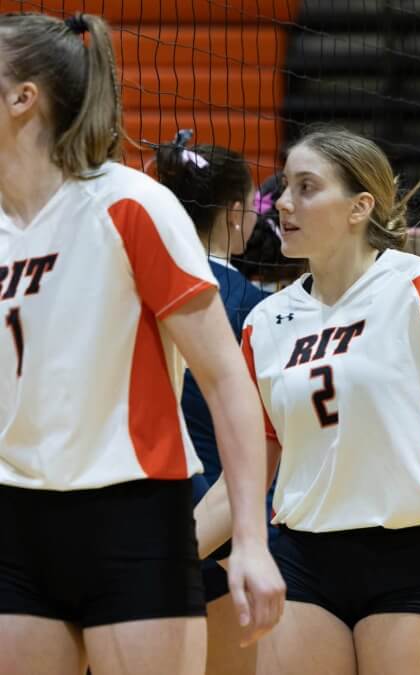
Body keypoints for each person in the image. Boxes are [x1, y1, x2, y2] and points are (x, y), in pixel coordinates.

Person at [193, 127, 420, 675]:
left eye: (307, 187)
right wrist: (164, 560)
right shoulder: (266, 321)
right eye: (284, 187)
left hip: (412, 555)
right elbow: (248, 470)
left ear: (359, 207)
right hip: (302, 556)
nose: (283, 203)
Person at [0, 12, 283, 675]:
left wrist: (249, 537)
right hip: (15, 516)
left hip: (129, 513)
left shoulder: (130, 205)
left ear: (23, 97)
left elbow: (225, 379)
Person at [152, 130, 271, 675]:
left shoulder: (133, 289)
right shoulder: (259, 310)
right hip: (228, 533)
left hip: (135, 515)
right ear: (235, 212)